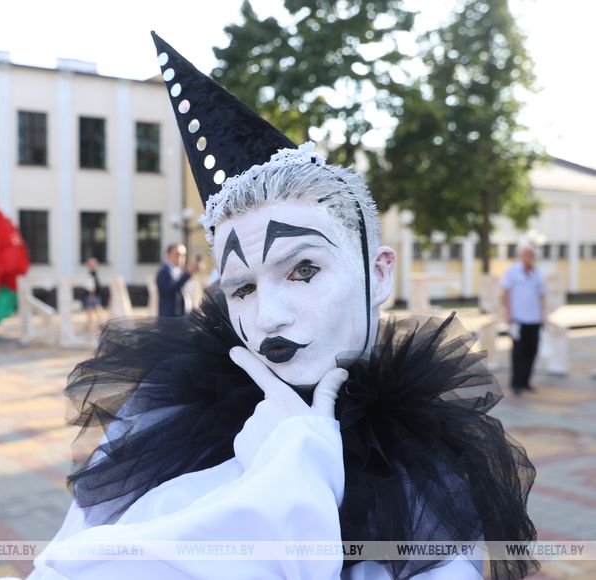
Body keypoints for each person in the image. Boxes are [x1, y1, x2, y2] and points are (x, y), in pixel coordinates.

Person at [27, 34, 537, 579]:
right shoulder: (170, 423)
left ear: (379, 272)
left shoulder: (422, 449)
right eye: (241, 288)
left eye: (304, 270)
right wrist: (286, 478)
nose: (268, 316)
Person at [501, 242, 545, 395]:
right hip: (518, 318)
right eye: (526, 255)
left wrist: (543, 316)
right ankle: (516, 383)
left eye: (531, 255)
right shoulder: (512, 272)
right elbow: (505, 294)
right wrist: (508, 313)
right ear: (521, 255)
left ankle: (526, 381)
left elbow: (541, 296)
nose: (528, 258)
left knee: (532, 350)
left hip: (534, 319)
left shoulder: (536, 274)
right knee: (518, 351)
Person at [155, 243, 199, 317]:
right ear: (168, 255)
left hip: (180, 315)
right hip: (169, 317)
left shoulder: (179, 271)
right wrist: (187, 274)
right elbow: (169, 291)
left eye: (183, 255)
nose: (181, 258)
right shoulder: (163, 272)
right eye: (177, 254)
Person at [82, 257, 104, 331]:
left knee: (96, 310)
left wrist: (92, 295)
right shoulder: (92, 274)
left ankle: (97, 325)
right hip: (91, 295)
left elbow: (93, 286)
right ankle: (91, 326)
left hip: (93, 295)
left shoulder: (93, 274)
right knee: (92, 312)